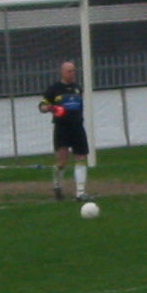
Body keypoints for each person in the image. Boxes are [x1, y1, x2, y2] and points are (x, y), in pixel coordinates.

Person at [39, 61, 92, 202]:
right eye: (69, 71)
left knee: (80, 157)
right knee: (62, 161)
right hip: (62, 128)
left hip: (77, 127)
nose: (72, 73)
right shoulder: (54, 89)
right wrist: (52, 108)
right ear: (62, 72)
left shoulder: (78, 88)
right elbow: (42, 106)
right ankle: (57, 186)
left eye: (73, 71)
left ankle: (80, 193)